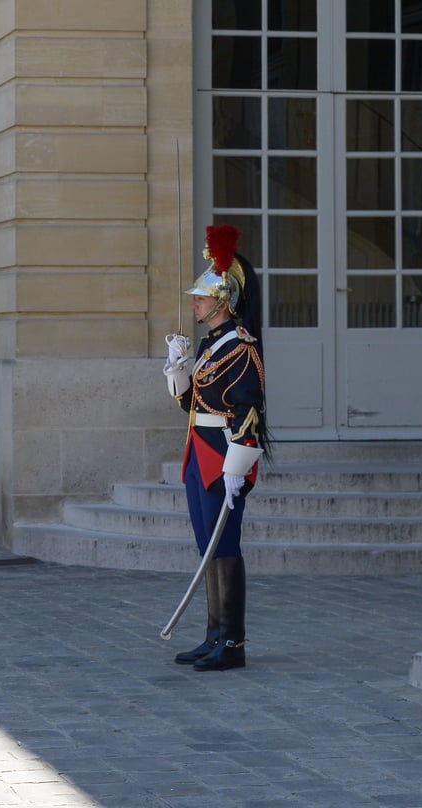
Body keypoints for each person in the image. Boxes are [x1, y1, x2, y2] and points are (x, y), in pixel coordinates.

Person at [162, 224, 267, 672]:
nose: (195, 303)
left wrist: (235, 468)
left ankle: (233, 640)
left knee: (224, 544)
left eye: (202, 298)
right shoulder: (210, 346)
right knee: (208, 543)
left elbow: (249, 413)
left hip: (223, 454)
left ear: (223, 302)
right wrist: (176, 368)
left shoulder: (241, 347)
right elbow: (191, 402)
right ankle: (213, 633)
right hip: (199, 449)